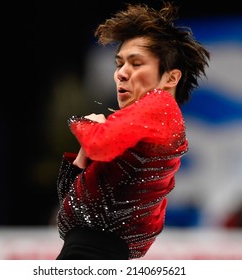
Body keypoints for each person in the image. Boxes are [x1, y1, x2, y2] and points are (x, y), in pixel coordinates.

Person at [55, 1, 210, 260]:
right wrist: (82, 154)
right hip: (88, 253)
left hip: (93, 257)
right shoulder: (143, 127)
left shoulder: (159, 104)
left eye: (136, 64)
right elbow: (70, 205)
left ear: (171, 77)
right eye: (119, 64)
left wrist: (83, 123)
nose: (121, 74)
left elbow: (98, 145)